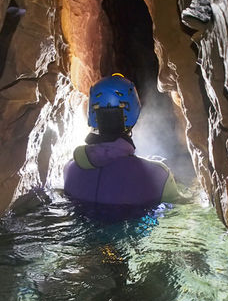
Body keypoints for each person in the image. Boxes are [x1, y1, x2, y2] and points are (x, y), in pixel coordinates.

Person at [64, 73, 186, 209]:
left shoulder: (70, 169)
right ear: (134, 112)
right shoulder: (159, 175)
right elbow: (181, 210)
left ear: (92, 114)